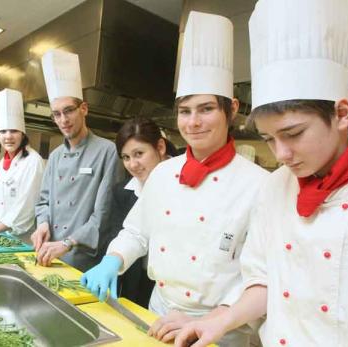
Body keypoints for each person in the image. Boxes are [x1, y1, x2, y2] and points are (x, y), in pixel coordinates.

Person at [174, 1, 348, 346]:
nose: (281, 155)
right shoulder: (275, 187)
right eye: (269, 139)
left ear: (342, 113)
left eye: (293, 134)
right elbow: (263, 280)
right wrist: (219, 319)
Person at [81, 11, 267, 347]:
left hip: (221, 329)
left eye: (206, 109)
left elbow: (260, 275)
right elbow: (137, 231)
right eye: (185, 111)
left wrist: (211, 320)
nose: (193, 122)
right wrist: (114, 259)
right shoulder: (164, 174)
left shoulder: (259, 185)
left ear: (232, 108)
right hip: (160, 314)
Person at [31, 49, 120, 271]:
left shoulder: (107, 151)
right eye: (57, 114)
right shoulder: (54, 156)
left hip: (83, 259)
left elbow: (103, 215)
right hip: (49, 254)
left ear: (84, 109)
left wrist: (67, 243)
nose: (63, 120)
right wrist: (42, 224)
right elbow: (43, 202)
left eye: (68, 110)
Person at [97, 117, 178, 308]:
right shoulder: (123, 191)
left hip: (177, 287)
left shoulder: (183, 181)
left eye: (139, 153)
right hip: (138, 278)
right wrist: (110, 262)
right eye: (126, 157)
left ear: (160, 147)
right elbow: (128, 234)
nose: (132, 164)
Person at [0, 89, 44, 236]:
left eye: (14, 131)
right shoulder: (5, 159)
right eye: (3, 131)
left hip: (23, 236)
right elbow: (2, 190)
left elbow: (26, 206)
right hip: (3, 231)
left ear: (22, 134)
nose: (8, 136)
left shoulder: (33, 161)